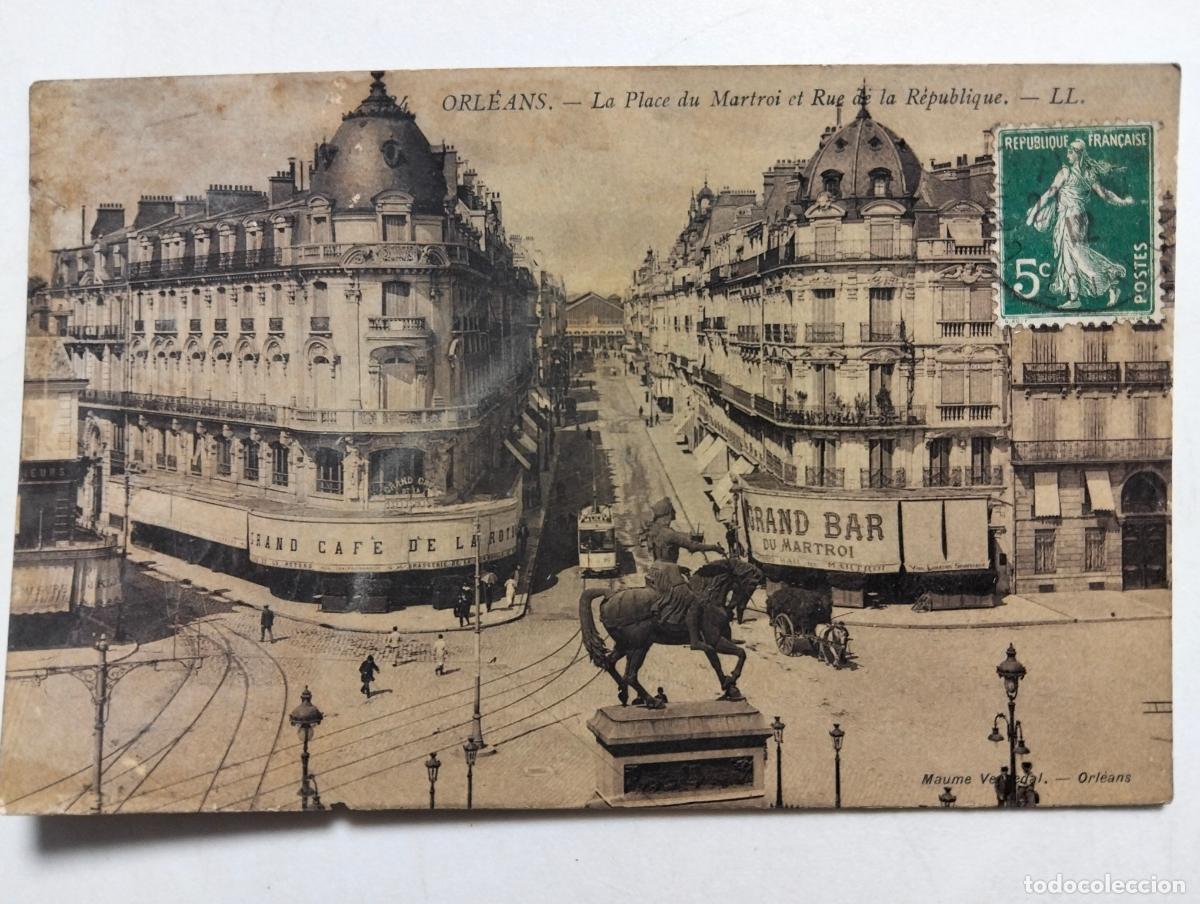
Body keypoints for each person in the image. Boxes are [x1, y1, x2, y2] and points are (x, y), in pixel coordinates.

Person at [1025, 138, 1135, 310]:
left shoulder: (1066, 173)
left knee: (1080, 257)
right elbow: (1106, 195)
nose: (1067, 154)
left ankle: (1112, 283)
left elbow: (1048, 194)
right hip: (1074, 218)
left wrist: (1032, 214)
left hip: (1071, 219)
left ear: (1078, 154)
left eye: (1070, 151)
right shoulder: (1088, 174)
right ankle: (1074, 297)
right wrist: (1122, 201)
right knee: (1068, 257)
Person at [641, 497, 724, 650]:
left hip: (655, 569)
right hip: (668, 572)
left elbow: (677, 537)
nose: (675, 513)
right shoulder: (669, 534)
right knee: (693, 600)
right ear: (667, 513)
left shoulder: (654, 531)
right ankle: (695, 640)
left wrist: (687, 535)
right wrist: (714, 548)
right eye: (672, 510)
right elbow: (692, 546)